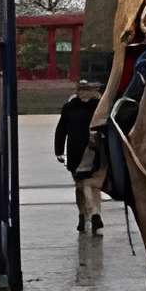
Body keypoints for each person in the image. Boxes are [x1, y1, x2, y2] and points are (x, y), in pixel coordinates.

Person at [54, 80, 104, 235]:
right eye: (81, 89)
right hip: (76, 152)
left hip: (93, 151)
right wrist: (59, 150)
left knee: (89, 184)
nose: (83, 92)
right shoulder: (69, 107)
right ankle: (86, 214)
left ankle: (93, 214)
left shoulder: (98, 106)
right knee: (82, 186)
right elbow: (61, 129)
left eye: (86, 89)